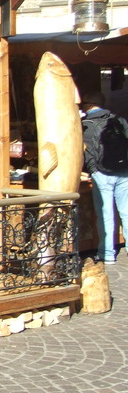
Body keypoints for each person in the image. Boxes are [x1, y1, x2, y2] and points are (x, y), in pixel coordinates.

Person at [81, 91, 128, 264]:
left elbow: (81, 151)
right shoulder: (119, 120)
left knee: (106, 214)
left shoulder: (85, 124)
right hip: (124, 171)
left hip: (101, 174)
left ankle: (107, 254)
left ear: (88, 105)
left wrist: (90, 169)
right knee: (126, 212)